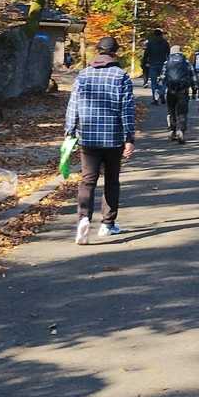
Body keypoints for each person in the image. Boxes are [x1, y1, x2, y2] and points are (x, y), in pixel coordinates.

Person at [64, 35, 136, 244]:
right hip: (113, 138)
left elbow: (73, 105)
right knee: (111, 180)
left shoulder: (83, 75)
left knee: (88, 180)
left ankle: (83, 219)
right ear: (115, 52)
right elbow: (127, 110)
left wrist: (70, 131)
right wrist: (129, 137)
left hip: (87, 137)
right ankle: (107, 224)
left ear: (98, 51)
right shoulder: (121, 76)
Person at [159, 45, 194, 143]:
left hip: (171, 90)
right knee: (182, 112)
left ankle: (172, 130)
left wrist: (161, 91)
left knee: (171, 111)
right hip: (183, 90)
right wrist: (194, 89)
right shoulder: (186, 62)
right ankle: (181, 131)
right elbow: (192, 76)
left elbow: (162, 77)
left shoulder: (167, 62)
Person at [142, 27, 170, 104]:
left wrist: (144, 63)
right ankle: (162, 92)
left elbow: (146, 54)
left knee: (153, 82)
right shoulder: (165, 43)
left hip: (153, 64)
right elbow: (168, 54)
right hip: (163, 65)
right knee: (163, 81)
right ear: (161, 35)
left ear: (154, 35)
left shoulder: (150, 43)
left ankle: (155, 99)